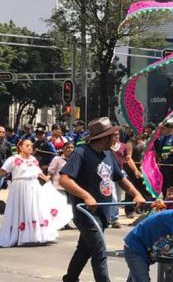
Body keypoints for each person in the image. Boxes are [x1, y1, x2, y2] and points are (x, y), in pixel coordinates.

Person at [60, 117, 146, 282]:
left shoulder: (109, 154)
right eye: (113, 135)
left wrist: (136, 193)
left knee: (84, 249)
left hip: (103, 213)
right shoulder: (81, 153)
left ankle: (70, 279)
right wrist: (86, 196)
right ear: (103, 137)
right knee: (99, 252)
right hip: (86, 214)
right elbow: (64, 179)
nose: (116, 138)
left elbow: (120, 178)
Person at [0, 139, 72, 247]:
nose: (30, 147)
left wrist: (46, 179)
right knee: (21, 210)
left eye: (31, 146)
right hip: (19, 188)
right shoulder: (13, 159)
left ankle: (35, 235)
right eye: (27, 145)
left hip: (33, 187)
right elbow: (3, 171)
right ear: (20, 147)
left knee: (33, 210)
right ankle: (19, 235)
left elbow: (38, 172)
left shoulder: (33, 159)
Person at [154, 123, 173, 194]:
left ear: (169, 129)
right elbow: (157, 148)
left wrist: (172, 152)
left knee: (171, 183)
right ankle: (165, 197)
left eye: (164, 128)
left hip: (171, 165)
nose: (162, 130)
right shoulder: (161, 138)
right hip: (163, 164)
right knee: (163, 183)